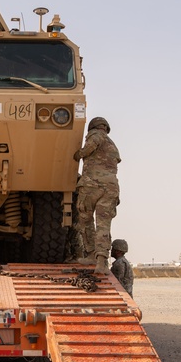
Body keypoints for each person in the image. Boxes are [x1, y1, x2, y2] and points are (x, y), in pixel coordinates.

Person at [73, 116, 120, 274]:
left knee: (85, 220)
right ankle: (101, 263)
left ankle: (91, 254)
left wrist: (77, 155)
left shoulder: (96, 135)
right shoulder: (113, 145)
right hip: (111, 188)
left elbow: (90, 147)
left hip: (92, 186)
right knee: (103, 226)